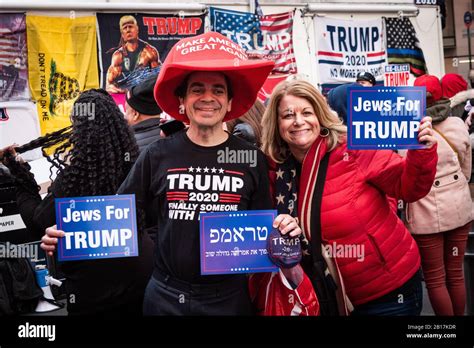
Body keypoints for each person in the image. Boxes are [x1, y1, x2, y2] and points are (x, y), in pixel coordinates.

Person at [42, 32, 301, 316]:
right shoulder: (157, 154)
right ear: (182, 101)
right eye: (197, 89)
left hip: (228, 299)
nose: (207, 98)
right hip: (165, 297)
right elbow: (117, 216)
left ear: (229, 103)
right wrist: (69, 235)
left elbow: (262, 225)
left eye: (218, 90)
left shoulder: (250, 158)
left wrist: (284, 227)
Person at [260, 79, 438, 315]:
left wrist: (422, 153)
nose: (298, 121)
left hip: (388, 292)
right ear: (277, 124)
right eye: (288, 115)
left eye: (307, 112)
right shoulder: (273, 170)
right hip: (324, 296)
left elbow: (409, 189)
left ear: (320, 115)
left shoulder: (353, 148)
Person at [1, 89, 153, 316]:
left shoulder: (74, 181)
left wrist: (19, 172)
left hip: (90, 292)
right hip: (141, 286)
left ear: (79, 131)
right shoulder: (140, 168)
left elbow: (37, 221)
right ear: (118, 125)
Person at [402, 74, 473, 315]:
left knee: (435, 278)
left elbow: (404, 175)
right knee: (455, 273)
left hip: (425, 215)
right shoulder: (456, 124)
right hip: (459, 210)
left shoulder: (407, 130)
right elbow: (466, 170)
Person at [106, 15, 161, 94]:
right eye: (125, 28)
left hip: (144, 94)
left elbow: (157, 80)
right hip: (126, 95)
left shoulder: (149, 52)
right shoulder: (118, 55)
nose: (128, 30)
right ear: (122, 34)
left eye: (130, 26)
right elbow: (109, 86)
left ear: (137, 29)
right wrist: (125, 91)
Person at [125, 77, 162, 152]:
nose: (124, 117)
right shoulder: (178, 135)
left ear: (135, 114)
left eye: (126, 111)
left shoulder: (128, 147)